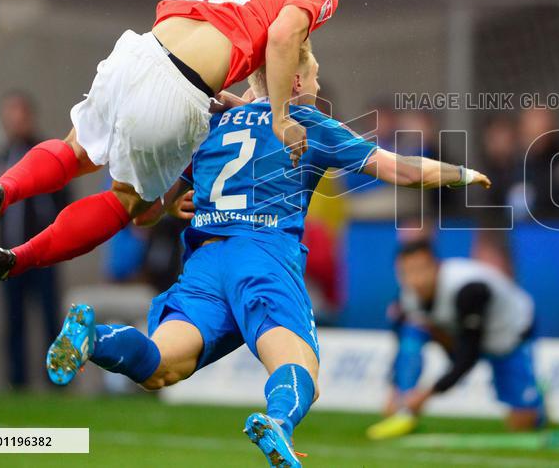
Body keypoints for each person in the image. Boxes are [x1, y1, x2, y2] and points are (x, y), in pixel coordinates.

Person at [42, 41, 491, 467]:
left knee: (159, 367)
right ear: (294, 82)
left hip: (207, 261)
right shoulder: (307, 124)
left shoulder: (210, 126)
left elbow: (143, 215)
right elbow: (400, 169)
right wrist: (464, 174)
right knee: (299, 370)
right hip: (263, 254)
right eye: (313, 76)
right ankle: (277, 422)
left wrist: (174, 202)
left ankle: (94, 339)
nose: (316, 86)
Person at [0, 0, 350, 290]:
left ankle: (3, 187)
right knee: (127, 202)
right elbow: (282, 38)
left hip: (140, 53)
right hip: (180, 87)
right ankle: (14, 260)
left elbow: (228, 46)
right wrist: (282, 118)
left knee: (75, 151)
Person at [367, 238, 542, 440]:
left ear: (436, 266)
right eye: (406, 273)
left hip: (508, 332)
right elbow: (400, 342)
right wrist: (395, 386)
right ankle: (403, 404)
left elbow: (468, 357)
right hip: (455, 329)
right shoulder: (406, 296)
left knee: (523, 425)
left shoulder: (468, 289)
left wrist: (425, 395)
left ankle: (536, 400)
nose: (416, 280)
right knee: (411, 335)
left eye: (421, 270)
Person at [0, 92, 69, 388]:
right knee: (13, 320)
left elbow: (64, 201)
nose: (16, 120)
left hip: (44, 253)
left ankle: (57, 381)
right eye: (11, 114)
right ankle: (17, 381)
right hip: (9, 254)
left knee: (50, 318)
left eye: (21, 114)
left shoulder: (48, 155)